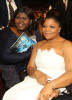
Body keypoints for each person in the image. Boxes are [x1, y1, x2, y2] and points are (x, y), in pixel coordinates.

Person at [2, 9, 72, 100]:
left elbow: (71, 72)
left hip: (56, 81)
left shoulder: (67, 45)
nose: (47, 30)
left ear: (59, 28)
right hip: (34, 80)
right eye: (44, 26)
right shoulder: (38, 45)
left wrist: (51, 85)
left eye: (52, 27)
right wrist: (36, 73)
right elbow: (30, 67)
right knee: (10, 94)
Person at [0, 6, 42, 89]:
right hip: (12, 67)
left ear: (30, 21)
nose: (20, 21)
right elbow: (5, 58)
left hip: (32, 66)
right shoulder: (7, 32)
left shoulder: (36, 31)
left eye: (24, 18)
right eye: (18, 18)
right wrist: (31, 52)